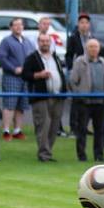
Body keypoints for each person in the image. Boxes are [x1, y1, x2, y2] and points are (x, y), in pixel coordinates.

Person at [22, 32, 67, 163]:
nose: (45, 43)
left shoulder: (55, 57)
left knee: (54, 126)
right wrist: (39, 75)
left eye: (47, 41)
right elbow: (25, 75)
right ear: (38, 42)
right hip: (41, 97)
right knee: (43, 125)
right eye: (42, 41)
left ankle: (48, 151)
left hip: (57, 96)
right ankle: (44, 154)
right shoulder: (32, 58)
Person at [69, 38, 104, 162]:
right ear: (86, 48)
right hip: (84, 103)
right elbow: (72, 80)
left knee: (99, 130)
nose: (94, 49)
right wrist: (79, 95)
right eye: (91, 47)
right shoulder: (80, 62)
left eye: (96, 47)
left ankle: (99, 155)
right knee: (82, 129)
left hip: (100, 102)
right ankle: (81, 155)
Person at [0, 17, 35, 140]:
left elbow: (33, 57)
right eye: (16, 25)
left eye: (20, 25)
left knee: (21, 105)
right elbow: (2, 58)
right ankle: (6, 130)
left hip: (25, 78)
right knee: (10, 104)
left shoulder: (28, 42)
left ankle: (18, 130)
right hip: (11, 76)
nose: (18, 27)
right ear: (11, 27)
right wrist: (13, 68)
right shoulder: (6, 41)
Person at [65, 13, 92, 136]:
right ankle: (74, 127)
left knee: (87, 101)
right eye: (82, 23)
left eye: (86, 23)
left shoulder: (91, 38)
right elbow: (69, 55)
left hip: (89, 73)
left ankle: (84, 126)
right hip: (77, 72)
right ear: (78, 24)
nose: (84, 25)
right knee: (76, 100)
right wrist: (71, 69)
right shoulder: (73, 38)